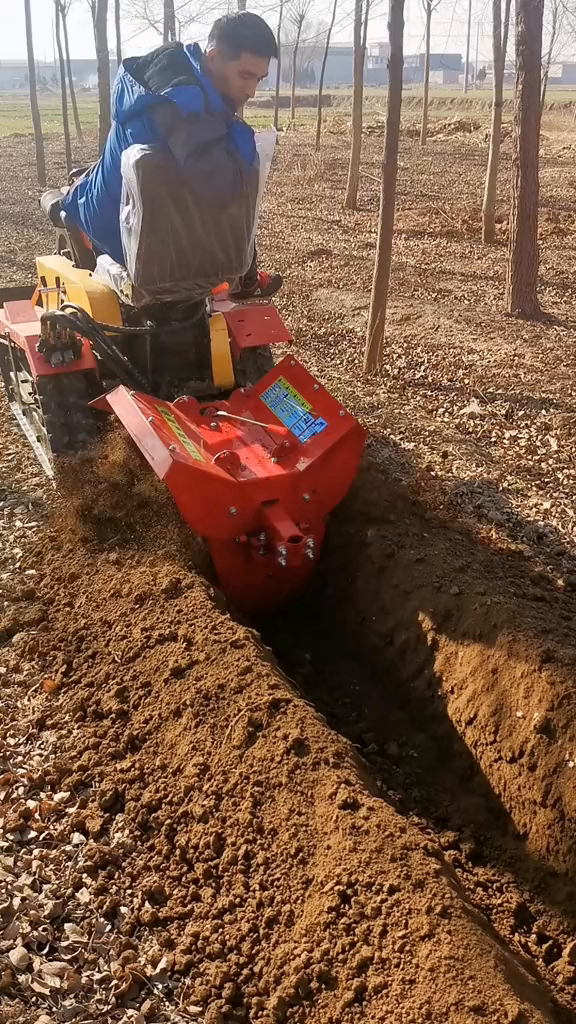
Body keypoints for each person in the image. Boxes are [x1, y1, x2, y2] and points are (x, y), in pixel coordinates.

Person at [60, 12, 282, 301]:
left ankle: (79, 187)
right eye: (245, 76)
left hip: (158, 229)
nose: (252, 91)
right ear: (213, 58)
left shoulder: (188, 78)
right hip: (118, 234)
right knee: (235, 188)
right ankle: (73, 196)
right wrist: (243, 139)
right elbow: (222, 184)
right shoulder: (180, 104)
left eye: (259, 79)